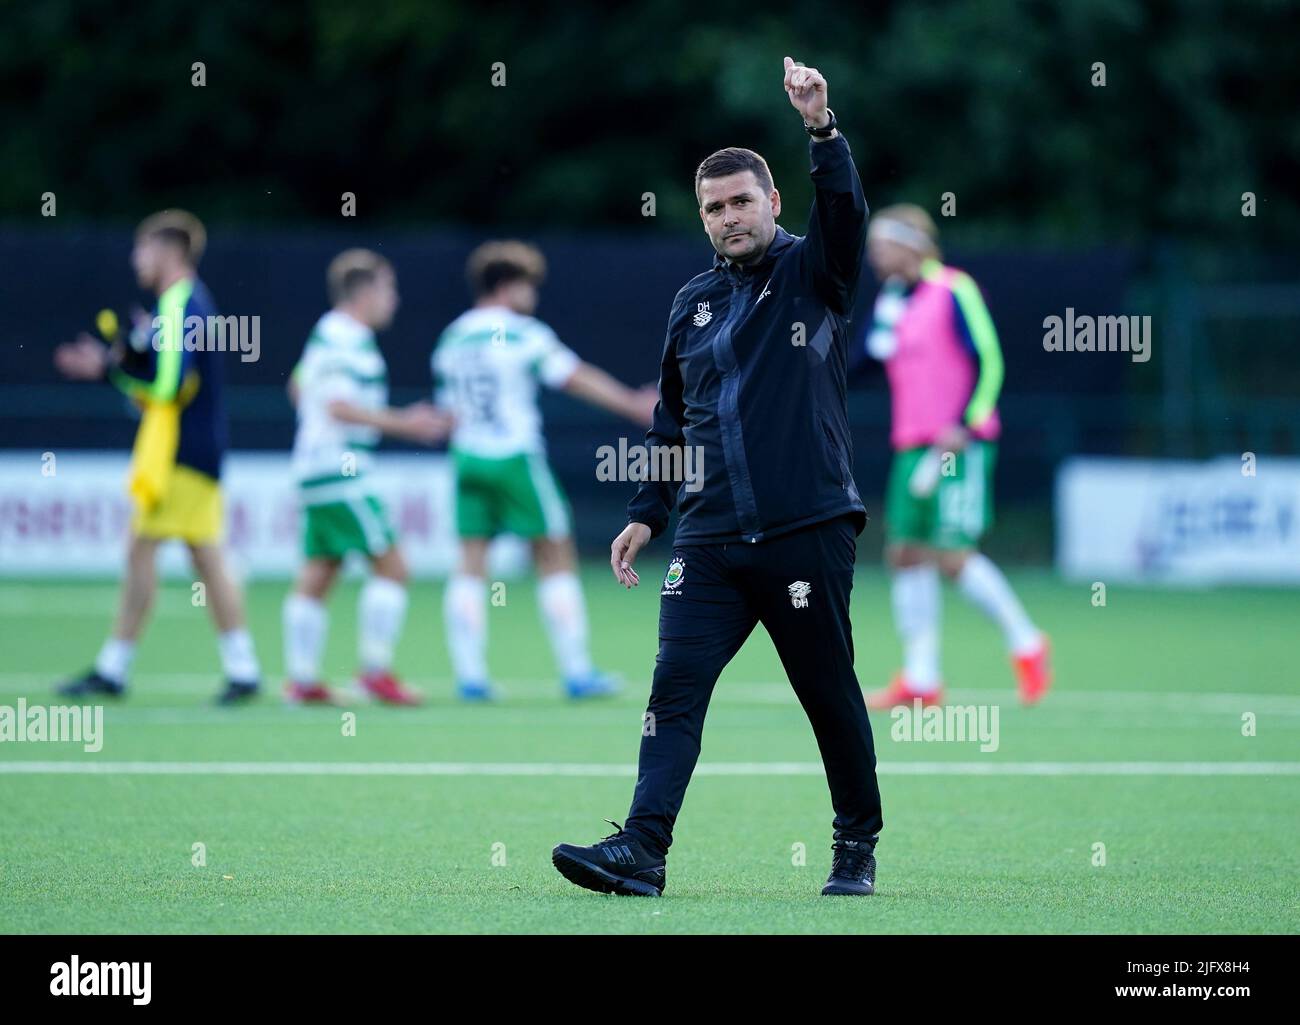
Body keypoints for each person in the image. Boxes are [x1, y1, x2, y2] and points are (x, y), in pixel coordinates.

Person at [552, 57, 882, 898]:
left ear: (772, 202)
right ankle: (642, 850)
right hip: (708, 534)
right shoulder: (690, 300)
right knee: (674, 688)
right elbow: (674, 417)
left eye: (742, 201)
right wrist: (645, 509)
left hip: (806, 525)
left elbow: (844, 216)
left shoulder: (815, 273)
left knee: (825, 692)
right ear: (701, 218)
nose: (730, 216)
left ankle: (854, 844)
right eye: (714, 207)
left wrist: (821, 130)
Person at [54, 210, 262, 704]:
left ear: (169, 251)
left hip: (178, 454)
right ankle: (239, 667)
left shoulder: (180, 304)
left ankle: (118, 669)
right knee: (199, 556)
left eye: (142, 249)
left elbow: (168, 385)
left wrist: (109, 370)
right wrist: (125, 358)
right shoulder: (188, 304)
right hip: (194, 450)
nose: (136, 259)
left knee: (160, 554)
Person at [432, 240, 656, 701]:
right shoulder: (521, 333)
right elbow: (573, 376)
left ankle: (471, 676)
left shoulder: (452, 337)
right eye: (529, 286)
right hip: (514, 456)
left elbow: (445, 412)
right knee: (554, 554)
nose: (532, 296)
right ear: (509, 285)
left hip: (467, 456)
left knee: (471, 561)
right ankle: (577, 671)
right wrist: (632, 404)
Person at [859, 204, 1052, 710]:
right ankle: (922, 679)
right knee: (905, 553)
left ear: (911, 245)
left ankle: (1027, 643)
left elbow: (990, 360)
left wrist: (966, 423)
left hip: (957, 446)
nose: (875, 257)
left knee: (952, 556)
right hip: (911, 446)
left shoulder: (954, 289)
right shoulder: (893, 300)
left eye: (882, 246)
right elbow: (867, 362)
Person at [282, 249, 453, 706]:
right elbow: (336, 404)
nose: (393, 300)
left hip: (315, 466)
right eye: (388, 289)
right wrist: (406, 423)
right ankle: (375, 672)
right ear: (365, 291)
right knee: (394, 567)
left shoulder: (326, 333)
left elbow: (298, 388)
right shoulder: (346, 336)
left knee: (321, 569)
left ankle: (301, 680)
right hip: (341, 469)